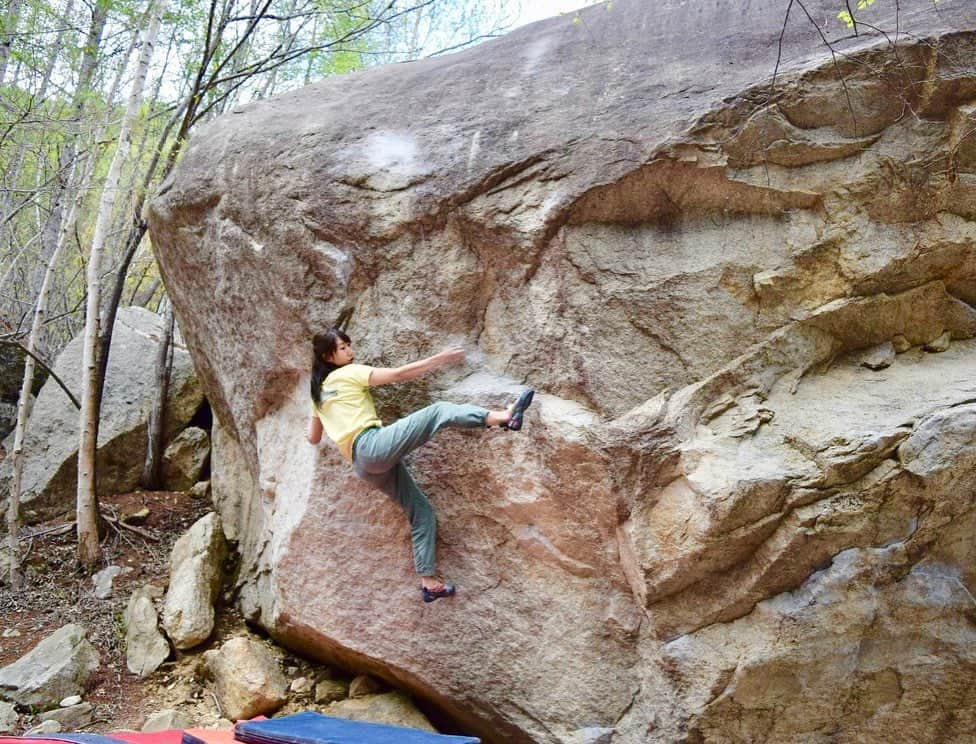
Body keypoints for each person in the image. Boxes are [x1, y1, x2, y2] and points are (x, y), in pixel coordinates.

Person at [306, 328, 534, 603]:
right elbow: (398, 375)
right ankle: (503, 417)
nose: (350, 352)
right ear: (328, 356)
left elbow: (313, 437)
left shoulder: (318, 394)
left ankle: (428, 582)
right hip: (371, 445)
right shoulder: (346, 374)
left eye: (348, 345)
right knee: (438, 411)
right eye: (343, 348)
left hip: (362, 465)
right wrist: (440, 359)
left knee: (421, 511)